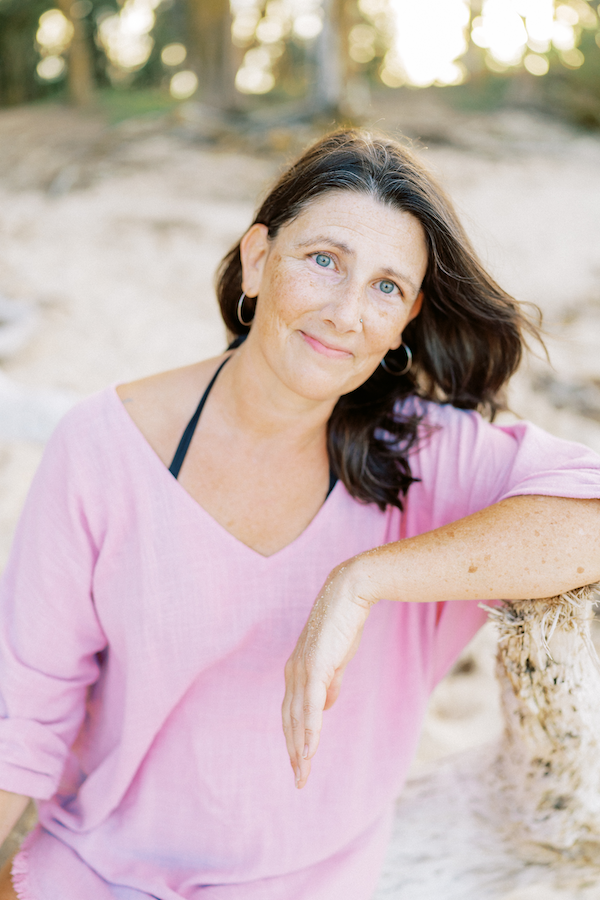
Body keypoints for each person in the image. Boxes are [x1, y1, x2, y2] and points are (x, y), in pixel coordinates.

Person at [0, 129, 599, 900]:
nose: (347, 312)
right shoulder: (102, 448)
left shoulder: (425, 458)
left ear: (407, 318)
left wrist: (363, 580)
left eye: (386, 287)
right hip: (92, 872)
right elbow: (22, 719)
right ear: (257, 259)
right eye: (324, 261)